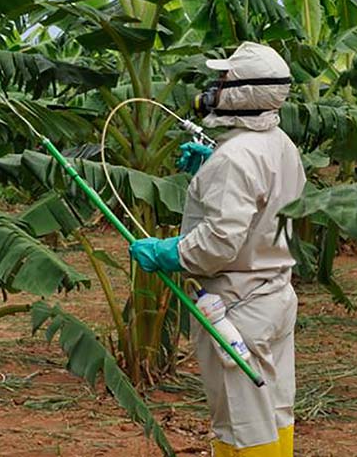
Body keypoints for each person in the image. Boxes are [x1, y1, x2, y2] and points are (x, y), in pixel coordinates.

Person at [129, 42, 306, 457]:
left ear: (243, 93)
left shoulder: (237, 157)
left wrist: (169, 253)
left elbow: (220, 242)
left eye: (225, 80)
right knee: (274, 409)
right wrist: (211, 169)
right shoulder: (279, 144)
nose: (216, 86)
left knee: (242, 421)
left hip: (237, 306)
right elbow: (265, 198)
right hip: (274, 295)